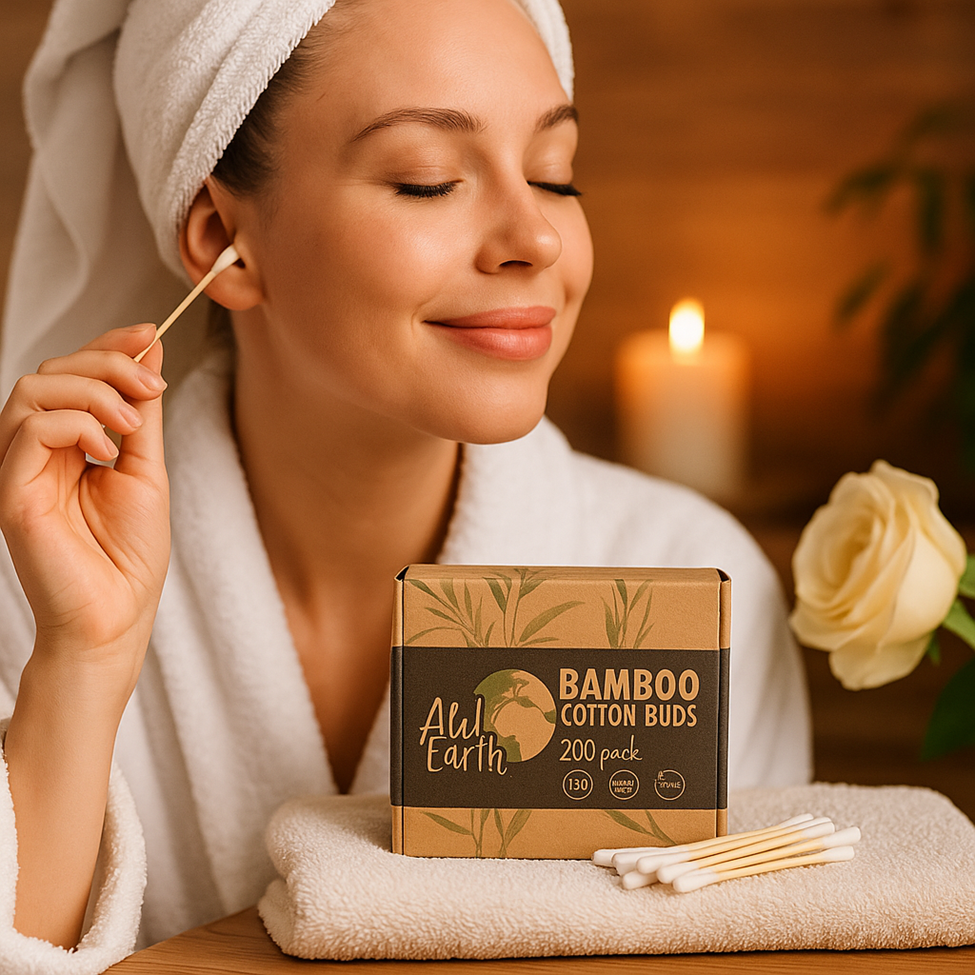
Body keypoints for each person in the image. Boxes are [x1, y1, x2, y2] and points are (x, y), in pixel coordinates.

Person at [0, 0, 812, 968]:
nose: (536, 238)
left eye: (557, 175)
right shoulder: (35, 581)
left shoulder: (690, 577)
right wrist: (83, 661)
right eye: (430, 182)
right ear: (223, 236)